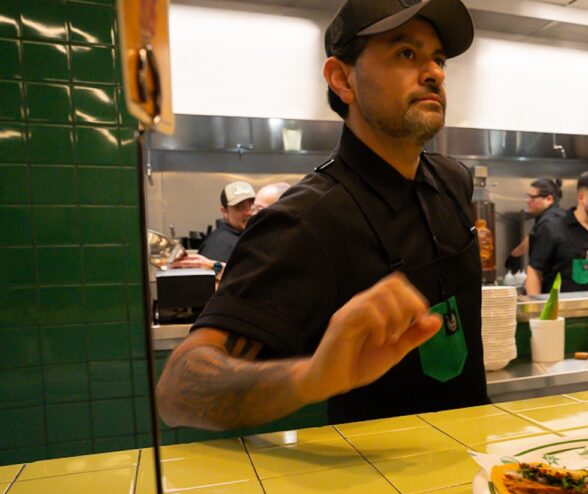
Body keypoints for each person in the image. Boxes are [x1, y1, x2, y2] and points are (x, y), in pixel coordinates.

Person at [157, 0, 489, 429]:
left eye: (438, 59)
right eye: (406, 53)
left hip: (479, 466)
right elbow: (176, 391)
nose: (435, 73)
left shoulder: (453, 182)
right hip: (375, 486)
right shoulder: (305, 219)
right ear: (342, 78)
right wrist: (310, 377)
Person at [171, 181, 256, 275]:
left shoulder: (248, 235)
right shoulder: (219, 244)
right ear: (225, 212)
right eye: (239, 207)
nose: (249, 212)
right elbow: (216, 284)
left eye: (252, 205)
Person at [504, 177, 564, 274]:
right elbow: (532, 236)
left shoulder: (549, 223)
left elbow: (537, 268)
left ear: (549, 199)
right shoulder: (552, 216)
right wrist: (515, 254)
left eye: (532, 197)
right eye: (528, 196)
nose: (527, 200)